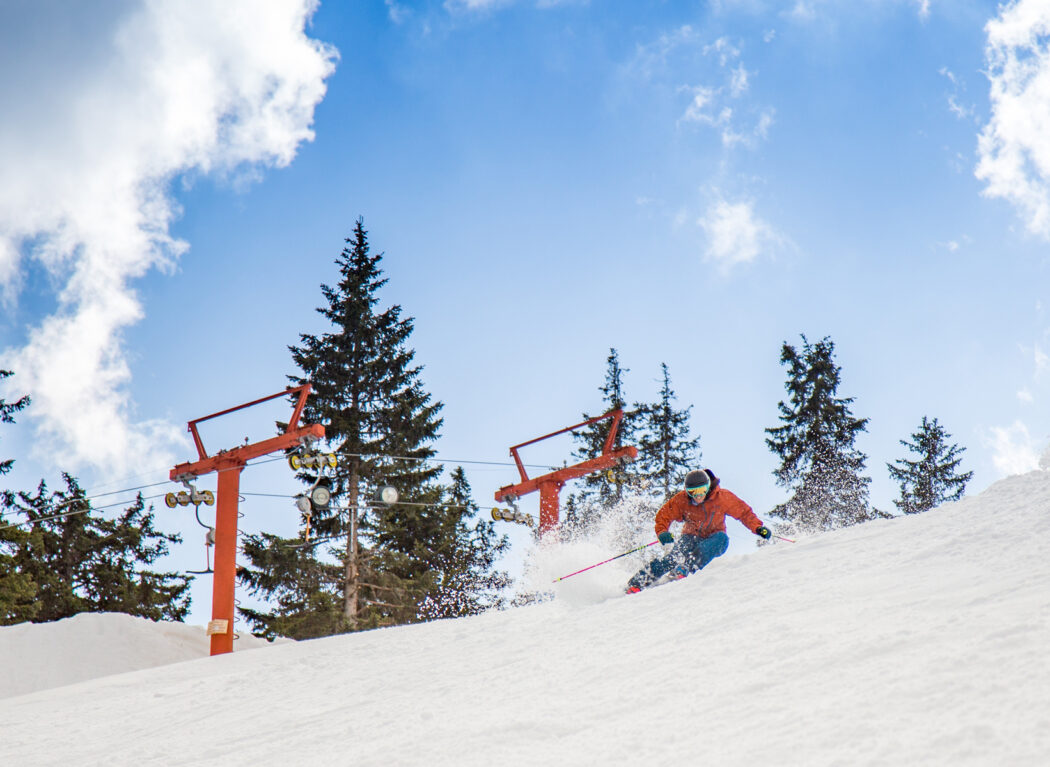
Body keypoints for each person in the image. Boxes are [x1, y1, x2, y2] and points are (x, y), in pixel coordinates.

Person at [626, 468, 771, 594]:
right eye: (693, 492)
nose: (698, 495)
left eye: (702, 490)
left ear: (708, 487)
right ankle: (637, 582)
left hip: (714, 538)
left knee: (722, 539)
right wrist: (662, 532)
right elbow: (664, 515)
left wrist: (758, 527)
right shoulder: (682, 500)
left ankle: (687, 567)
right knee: (673, 558)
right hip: (690, 536)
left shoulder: (722, 497)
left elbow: (744, 513)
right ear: (687, 491)